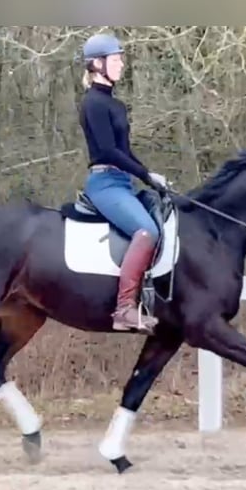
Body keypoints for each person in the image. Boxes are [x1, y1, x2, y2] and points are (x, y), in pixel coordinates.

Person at [78, 32, 169, 333]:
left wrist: (148, 175)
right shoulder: (92, 103)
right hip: (104, 184)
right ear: (97, 65)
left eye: (120, 58)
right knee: (146, 231)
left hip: (123, 182)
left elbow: (125, 151)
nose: (122, 64)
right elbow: (106, 151)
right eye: (116, 59)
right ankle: (124, 310)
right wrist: (145, 174)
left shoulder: (115, 105)